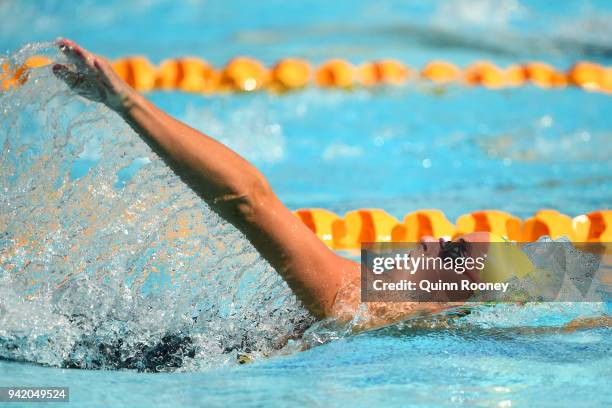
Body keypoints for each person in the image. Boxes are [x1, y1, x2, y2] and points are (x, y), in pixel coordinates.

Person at [52, 39, 610, 333]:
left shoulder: (349, 299)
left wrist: (129, 104)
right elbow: (581, 282)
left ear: (444, 295)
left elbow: (249, 200)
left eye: (452, 251)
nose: (432, 239)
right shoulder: (418, 302)